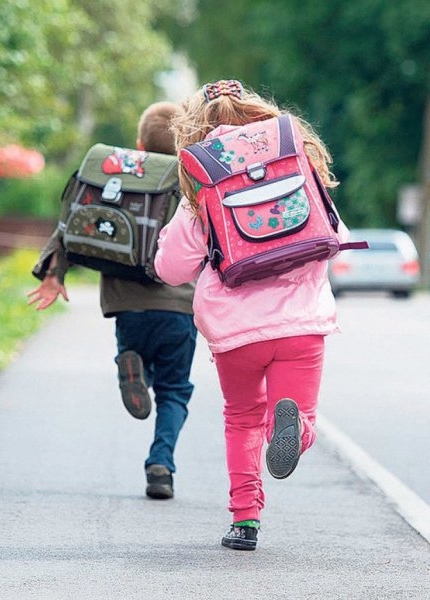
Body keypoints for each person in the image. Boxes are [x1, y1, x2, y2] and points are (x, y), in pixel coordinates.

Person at [154, 80, 351, 550]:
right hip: (301, 324)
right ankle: (295, 431)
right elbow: (337, 236)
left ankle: (245, 521)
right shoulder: (294, 163)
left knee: (242, 419)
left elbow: (171, 268)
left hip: (236, 331)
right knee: (296, 415)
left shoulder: (203, 180)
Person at [27, 101, 197, 501]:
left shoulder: (118, 174)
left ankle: (132, 365)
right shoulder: (191, 182)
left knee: (141, 356)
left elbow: (74, 220)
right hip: (177, 307)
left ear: (139, 144)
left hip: (125, 305)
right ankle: (161, 465)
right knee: (174, 391)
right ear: (185, 143)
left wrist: (54, 273)